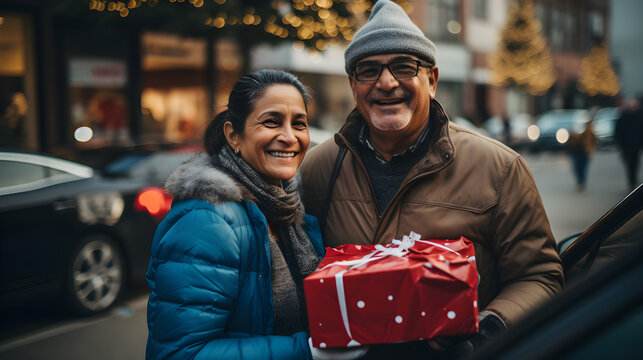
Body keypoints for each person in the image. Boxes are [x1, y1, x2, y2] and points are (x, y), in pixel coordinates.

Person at [300, 0, 564, 357]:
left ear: (432, 80)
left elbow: (540, 277)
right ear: (353, 84)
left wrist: (488, 328)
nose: (386, 82)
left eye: (404, 67)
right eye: (368, 70)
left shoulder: (499, 168)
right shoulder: (317, 168)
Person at [146, 70, 327, 359]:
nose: (289, 137)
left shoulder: (285, 207)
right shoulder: (208, 220)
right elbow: (181, 354)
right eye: (272, 122)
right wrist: (306, 350)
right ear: (234, 136)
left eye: (299, 123)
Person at [615, 97, 643, 190]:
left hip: (635, 145)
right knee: (630, 164)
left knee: (634, 164)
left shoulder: (639, 116)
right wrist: (620, 143)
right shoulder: (623, 116)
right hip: (627, 146)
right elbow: (618, 132)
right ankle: (632, 182)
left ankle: (633, 181)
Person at [567, 117, 596, 192]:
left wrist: (591, 150)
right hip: (576, 151)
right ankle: (580, 181)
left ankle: (582, 182)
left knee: (583, 168)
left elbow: (592, 141)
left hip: (585, 151)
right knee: (577, 167)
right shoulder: (574, 130)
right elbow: (570, 143)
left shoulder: (589, 131)